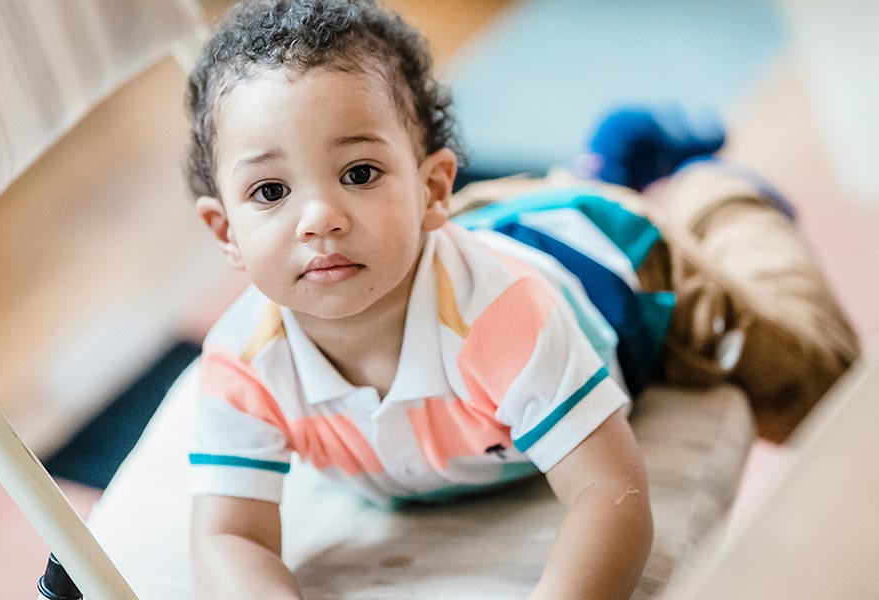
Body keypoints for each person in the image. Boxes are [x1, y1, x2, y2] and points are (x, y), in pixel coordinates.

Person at [182, 1, 857, 598]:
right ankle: (609, 154)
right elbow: (229, 538)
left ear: (432, 187)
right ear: (225, 233)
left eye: (359, 173)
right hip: (470, 233)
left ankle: (717, 199)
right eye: (271, 192)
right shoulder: (242, 366)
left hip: (626, 268)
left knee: (817, 380)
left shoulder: (500, 322)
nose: (319, 218)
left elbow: (610, 495)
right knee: (491, 222)